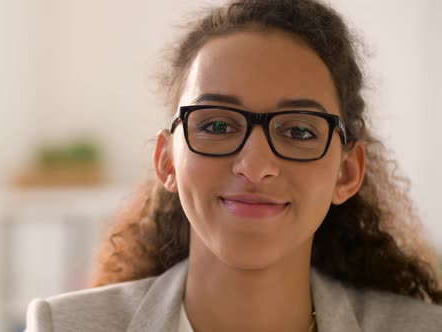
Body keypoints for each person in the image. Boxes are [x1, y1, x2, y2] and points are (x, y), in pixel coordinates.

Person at [26, 0, 442, 331]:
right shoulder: (61, 327)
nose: (256, 165)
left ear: (347, 172)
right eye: (218, 124)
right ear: (167, 159)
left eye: (298, 131)